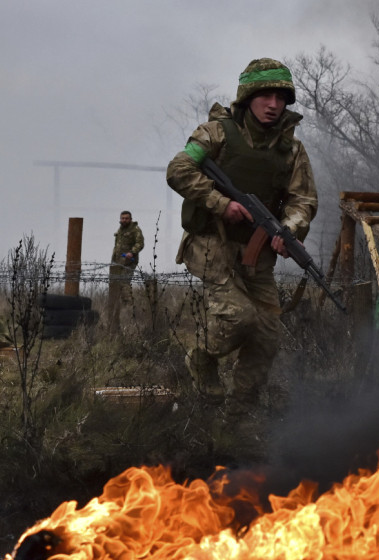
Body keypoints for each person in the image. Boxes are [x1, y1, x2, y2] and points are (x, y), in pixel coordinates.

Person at [167, 57, 318, 415]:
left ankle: (241, 410)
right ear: (247, 97)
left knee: (267, 334)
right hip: (211, 245)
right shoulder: (216, 133)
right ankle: (201, 358)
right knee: (238, 317)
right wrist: (220, 203)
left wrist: (289, 231)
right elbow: (179, 168)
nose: (274, 105)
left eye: (281, 98)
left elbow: (303, 200)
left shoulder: (292, 150)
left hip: (257, 254)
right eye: (265, 96)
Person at [108, 210, 145, 329]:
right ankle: (115, 310)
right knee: (114, 285)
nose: (124, 220)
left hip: (128, 263)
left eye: (126, 218)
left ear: (130, 219)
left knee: (124, 283)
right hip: (117, 263)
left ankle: (128, 307)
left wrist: (132, 252)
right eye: (122, 218)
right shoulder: (120, 230)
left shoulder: (135, 229)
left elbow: (140, 243)